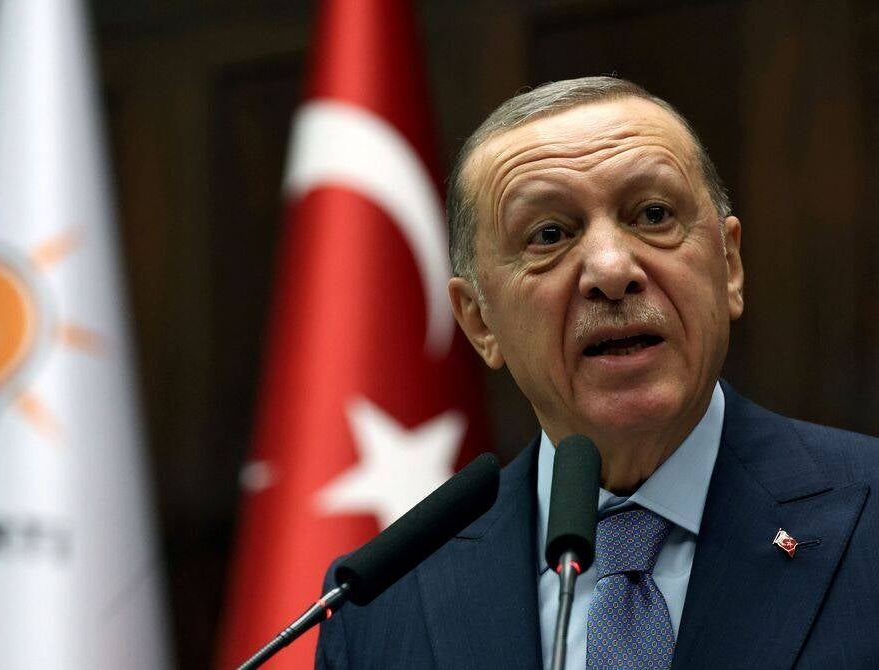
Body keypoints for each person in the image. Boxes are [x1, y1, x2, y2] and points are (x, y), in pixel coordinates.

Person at [315, 77, 879, 669]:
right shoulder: (380, 607)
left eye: (654, 215)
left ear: (729, 265)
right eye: (550, 235)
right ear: (480, 321)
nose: (611, 271)